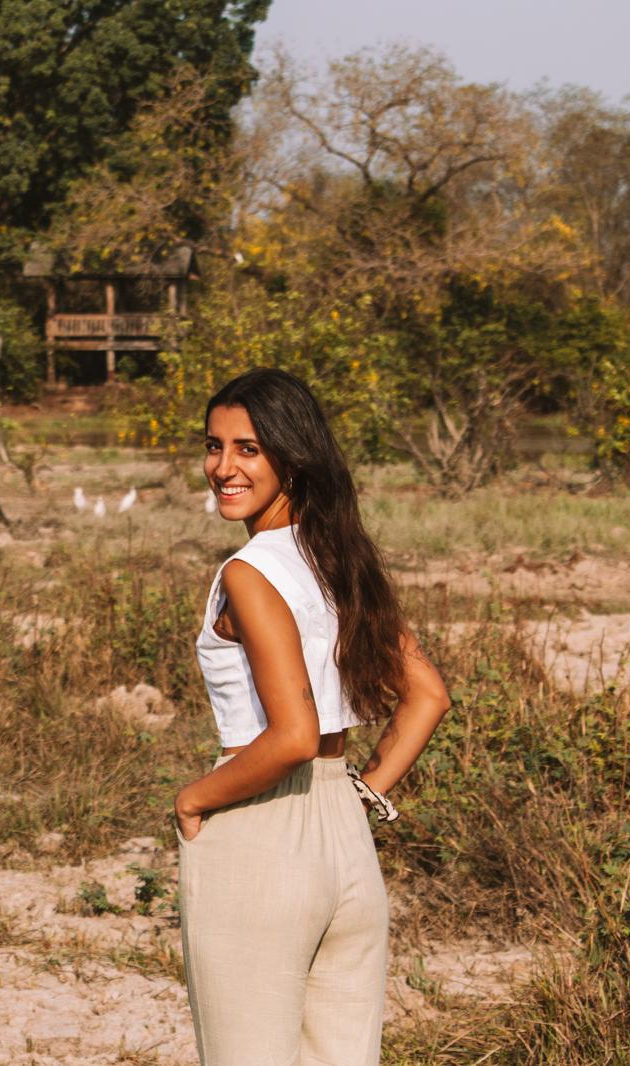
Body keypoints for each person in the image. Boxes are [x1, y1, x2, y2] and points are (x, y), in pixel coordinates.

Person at [174, 368, 451, 1065]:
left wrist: (194, 798)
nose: (222, 468)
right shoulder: (338, 561)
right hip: (346, 836)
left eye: (248, 449)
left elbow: (292, 736)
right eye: (214, 446)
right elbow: (428, 697)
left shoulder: (250, 572)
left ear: (291, 456)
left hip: (261, 831)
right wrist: (364, 795)